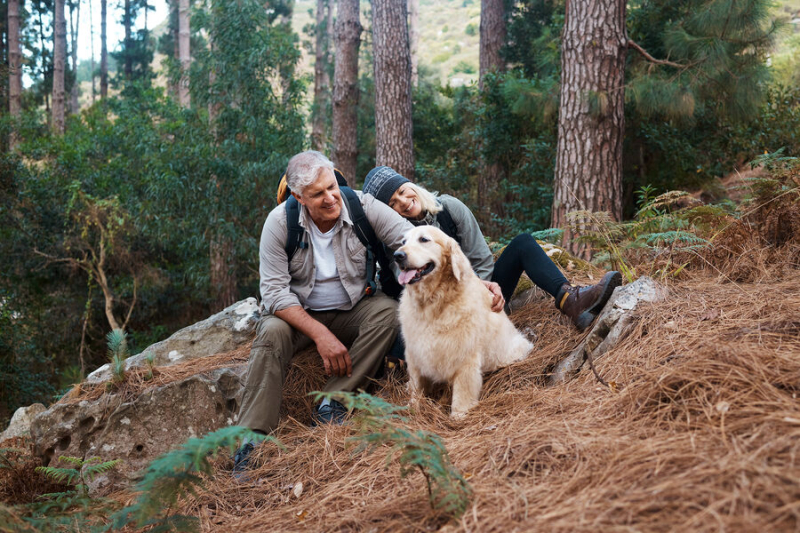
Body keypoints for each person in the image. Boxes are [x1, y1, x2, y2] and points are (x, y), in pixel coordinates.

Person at [233, 152, 413, 473]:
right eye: (318, 194)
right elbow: (274, 294)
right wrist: (320, 334)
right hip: (300, 316)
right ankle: (253, 439)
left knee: (388, 312)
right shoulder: (278, 223)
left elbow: (411, 239)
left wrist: (470, 276)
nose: (331, 198)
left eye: (332, 186)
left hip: (354, 308)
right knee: (271, 331)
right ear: (299, 197)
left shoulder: (361, 206)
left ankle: (333, 401)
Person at [362, 166, 622, 331]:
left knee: (522, 243)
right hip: (440, 313)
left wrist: (480, 294)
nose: (404, 202)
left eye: (402, 191)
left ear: (411, 186)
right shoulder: (397, 243)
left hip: (482, 290)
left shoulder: (449, 208)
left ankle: (571, 300)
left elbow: (482, 259)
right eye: (393, 203)